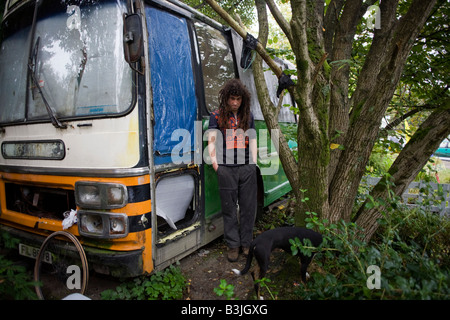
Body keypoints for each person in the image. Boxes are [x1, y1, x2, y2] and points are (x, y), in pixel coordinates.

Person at [208, 79, 257, 262]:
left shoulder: (248, 116)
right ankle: (233, 245)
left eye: (238, 99)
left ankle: (246, 244)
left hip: (246, 168)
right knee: (229, 209)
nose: (234, 102)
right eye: (231, 98)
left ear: (242, 99)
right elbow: (211, 140)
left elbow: (252, 139)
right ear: (226, 98)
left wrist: (253, 163)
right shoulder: (216, 115)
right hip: (226, 168)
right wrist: (216, 165)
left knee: (248, 208)